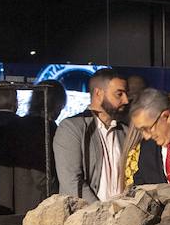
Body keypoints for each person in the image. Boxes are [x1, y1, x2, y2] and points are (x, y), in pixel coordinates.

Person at [52, 71, 130, 201]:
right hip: (88, 217)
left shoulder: (125, 131)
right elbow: (72, 182)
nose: (126, 100)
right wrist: (101, 213)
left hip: (123, 215)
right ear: (98, 93)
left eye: (126, 94)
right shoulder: (71, 128)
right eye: (119, 94)